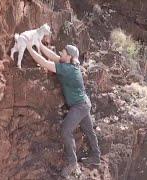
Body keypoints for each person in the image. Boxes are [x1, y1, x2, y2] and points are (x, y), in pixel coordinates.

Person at [25, 39, 101, 178]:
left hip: (79, 106)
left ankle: (73, 163)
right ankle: (96, 156)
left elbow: (45, 63)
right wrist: (39, 45)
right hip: (84, 103)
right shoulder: (71, 64)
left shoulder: (67, 69)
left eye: (64, 52)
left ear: (69, 56)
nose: (61, 53)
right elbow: (53, 56)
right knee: (89, 131)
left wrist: (30, 48)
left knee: (66, 130)